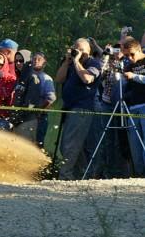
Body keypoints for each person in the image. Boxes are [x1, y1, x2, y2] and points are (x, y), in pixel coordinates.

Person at [56, 38, 103, 180]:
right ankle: (81, 174)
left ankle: (65, 176)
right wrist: (67, 62)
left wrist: (76, 62)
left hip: (82, 109)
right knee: (70, 145)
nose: (78, 52)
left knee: (69, 145)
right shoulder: (70, 64)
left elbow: (87, 79)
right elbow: (59, 79)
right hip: (69, 108)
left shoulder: (93, 63)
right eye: (76, 48)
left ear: (89, 51)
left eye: (82, 49)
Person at [12, 50, 56, 147]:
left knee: (36, 144)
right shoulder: (23, 76)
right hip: (21, 117)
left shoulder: (46, 78)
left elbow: (51, 98)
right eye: (34, 59)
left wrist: (39, 111)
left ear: (44, 63)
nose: (36, 61)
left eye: (39, 59)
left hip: (38, 117)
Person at [122, 37, 145, 176]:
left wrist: (134, 76)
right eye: (126, 55)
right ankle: (139, 174)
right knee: (135, 144)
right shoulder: (129, 66)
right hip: (132, 107)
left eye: (132, 54)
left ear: (139, 49)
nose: (129, 58)